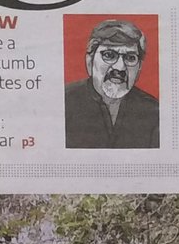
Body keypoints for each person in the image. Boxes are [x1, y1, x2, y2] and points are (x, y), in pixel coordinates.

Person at [65, 18, 160, 148]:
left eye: (130, 58)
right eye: (109, 55)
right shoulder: (64, 102)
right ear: (90, 60)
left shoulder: (153, 111)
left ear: (139, 68)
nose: (120, 67)